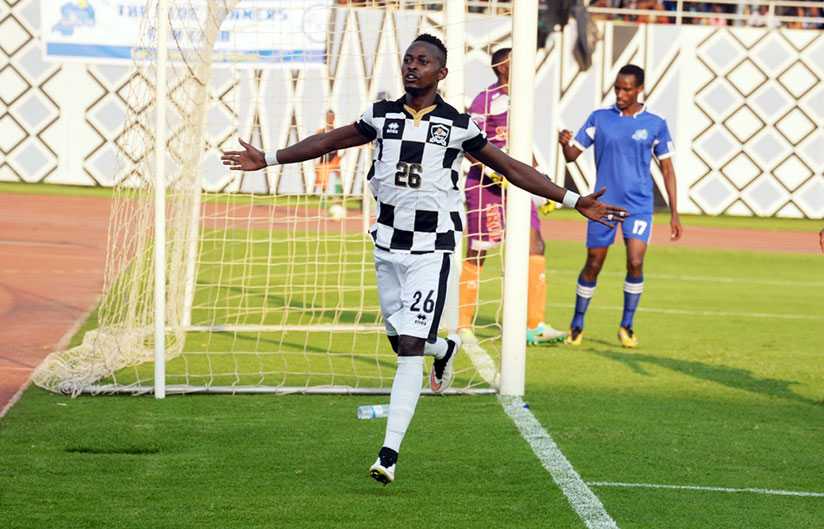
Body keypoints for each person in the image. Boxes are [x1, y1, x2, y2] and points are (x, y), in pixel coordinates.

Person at [222, 34, 626, 485]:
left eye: (423, 61)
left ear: (442, 73)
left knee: (408, 350)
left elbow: (512, 167)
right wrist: (271, 158)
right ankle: (446, 348)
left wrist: (574, 199)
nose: (413, 66)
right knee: (402, 341)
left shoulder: (458, 125)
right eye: (408, 59)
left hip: (432, 249)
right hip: (387, 244)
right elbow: (327, 140)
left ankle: (388, 453)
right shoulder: (380, 115)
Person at [558, 64, 681, 348]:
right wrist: (565, 143)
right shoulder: (599, 118)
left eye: (626, 89)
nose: (620, 93)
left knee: (635, 261)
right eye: (617, 88)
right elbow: (572, 155)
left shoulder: (655, 122)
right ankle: (577, 323)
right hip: (601, 206)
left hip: (639, 205)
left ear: (639, 89)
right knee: (594, 263)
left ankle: (627, 325)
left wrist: (674, 213)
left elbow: (667, 169)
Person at [459, 47, 567, 347]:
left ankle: (536, 324)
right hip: (486, 185)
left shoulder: (522, 100)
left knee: (536, 244)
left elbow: (522, 144)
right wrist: (490, 171)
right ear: (503, 67)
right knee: (479, 249)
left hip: (517, 185)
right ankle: (463, 325)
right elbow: (468, 143)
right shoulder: (485, 99)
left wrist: (540, 181)